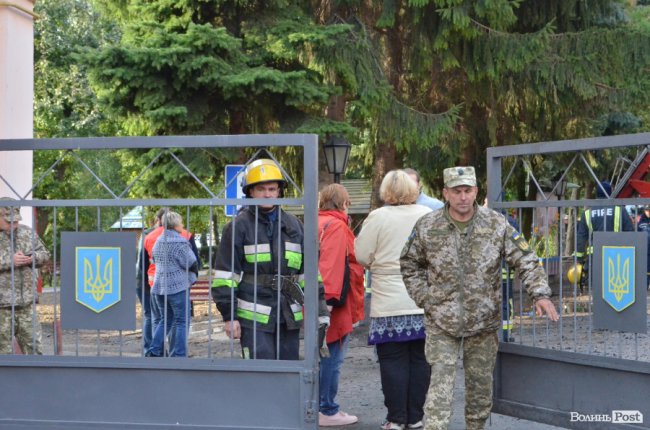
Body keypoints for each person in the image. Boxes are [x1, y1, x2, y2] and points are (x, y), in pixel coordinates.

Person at [400, 166, 559, 430]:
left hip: (483, 323)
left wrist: (540, 294)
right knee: (439, 392)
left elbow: (526, 259)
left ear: (476, 191)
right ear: (445, 193)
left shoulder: (495, 224)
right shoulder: (428, 225)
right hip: (441, 322)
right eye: (456, 191)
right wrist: (425, 297)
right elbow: (409, 263)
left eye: (468, 190)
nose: (463, 197)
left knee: (479, 392)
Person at [212, 158, 319, 360]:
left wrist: (318, 308)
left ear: (279, 191)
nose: (267, 194)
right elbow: (225, 276)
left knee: (288, 375)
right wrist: (230, 317)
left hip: (289, 316)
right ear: (250, 192)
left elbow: (310, 273)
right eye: (261, 189)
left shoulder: (294, 225)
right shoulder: (238, 226)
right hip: (253, 320)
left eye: (272, 188)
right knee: (259, 377)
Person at [355, 170, 432, 430]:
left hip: (388, 301)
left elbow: (362, 254)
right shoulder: (427, 215)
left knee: (392, 361)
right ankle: (416, 417)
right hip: (422, 298)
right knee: (421, 360)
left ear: (385, 191)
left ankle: (396, 419)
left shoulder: (377, 217)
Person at [317, 183, 364, 427]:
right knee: (332, 356)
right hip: (335, 303)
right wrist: (330, 300)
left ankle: (320, 406)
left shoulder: (318, 222)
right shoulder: (336, 225)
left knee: (323, 355)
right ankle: (327, 409)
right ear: (343, 203)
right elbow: (332, 264)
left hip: (323, 299)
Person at [142, 208, 199, 356]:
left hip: (159, 287)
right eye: (181, 222)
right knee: (181, 321)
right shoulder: (180, 242)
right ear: (175, 225)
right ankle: (178, 355)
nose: (182, 225)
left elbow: (153, 259)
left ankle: (154, 350)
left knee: (164, 320)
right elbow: (191, 262)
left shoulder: (159, 240)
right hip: (177, 287)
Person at [0, 198, 50, 354]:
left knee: (35, 351)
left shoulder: (27, 233)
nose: (14, 225)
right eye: (9, 222)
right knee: (3, 354)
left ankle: (35, 379)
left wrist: (33, 258)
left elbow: (45, 254)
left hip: (26, 305)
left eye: (16, 221)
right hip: (2, 308)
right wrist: (10, 261)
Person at [575, 180, 634, 276]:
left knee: (596, 286)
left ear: (596, 193)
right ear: (610, 193)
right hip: (616, 255)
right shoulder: (619, 210)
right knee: (614, 284)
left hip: (594, 257)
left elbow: (581, 237)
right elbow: (630, 233)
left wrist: (579, 259)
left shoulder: (587, 213)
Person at [634, 204, 650, 289]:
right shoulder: (641, 222)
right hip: (645, 249)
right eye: (647, 210)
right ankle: (645, 286)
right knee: (646, 269)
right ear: (644, 210)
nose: (648, 212)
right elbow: (636, 234)